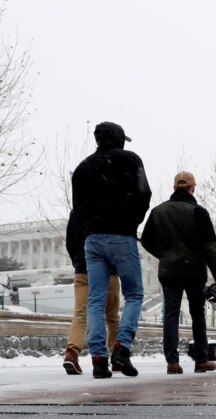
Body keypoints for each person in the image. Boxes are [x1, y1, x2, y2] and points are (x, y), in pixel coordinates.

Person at [70, 121, 151, 379]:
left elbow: (78, 209)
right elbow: (144, 195)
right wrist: (130, 222)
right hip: (121, 235)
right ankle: (121, 347)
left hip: (93, 240)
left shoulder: (82, 168)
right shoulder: (130, 160)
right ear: (119, 139)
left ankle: (98, 358)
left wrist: (92, 228)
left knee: (95, 300)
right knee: (134, 295)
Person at [140, 171, 216, 374]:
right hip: (194, 271)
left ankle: (172, 362)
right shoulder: (199, 212)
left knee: (170, 313)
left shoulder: (158, 211)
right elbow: (210, 248)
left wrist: (164, 255)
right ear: (193, 188)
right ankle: (201, 360)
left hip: (169, 271)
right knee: (198, 315)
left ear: (174, 187)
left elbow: (145, 240)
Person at [62, 210, 121, 375]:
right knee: (112, 317)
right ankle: (116, 355)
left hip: (83, 270)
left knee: (81, 314)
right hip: (108, 270)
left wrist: (79, 262)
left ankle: (72, 353)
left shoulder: (77, 211)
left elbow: (70, 242)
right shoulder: (110, 208)